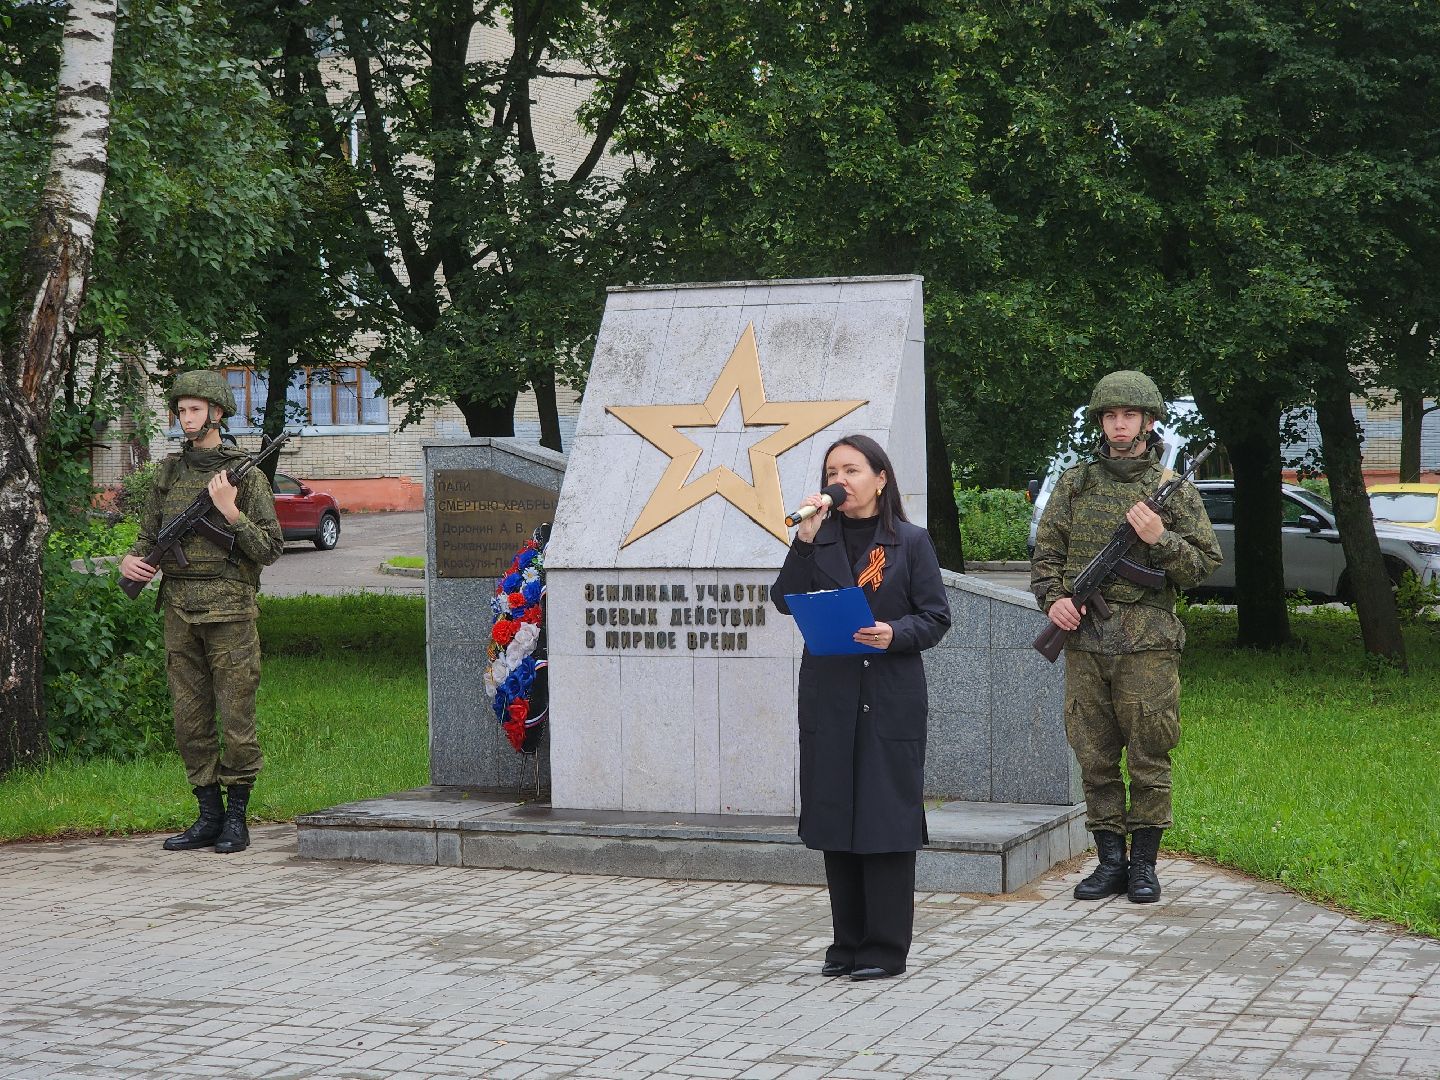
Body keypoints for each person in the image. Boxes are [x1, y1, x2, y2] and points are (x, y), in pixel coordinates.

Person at [1030, 371, 1221, 903]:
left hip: (1147, 647)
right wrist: (1056, 600)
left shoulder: (1167, 490)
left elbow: (1204, 563)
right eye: (1111, 416)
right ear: (1102, 422)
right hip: (1086, 643)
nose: (1119, 424)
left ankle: (1144, 865)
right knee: (1093, 754)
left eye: (1129, 416)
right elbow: (1045, 556)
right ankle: (1109, 861)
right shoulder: (1076, 483)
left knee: (1149, 754)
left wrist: (1159, 540)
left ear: (1148, 421)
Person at [773, 434, 951, 981]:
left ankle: (884, 949)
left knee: (884, 820)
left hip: (888, 696)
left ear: (880, 478)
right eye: (833, 470)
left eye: (852, 469)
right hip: (831, 696)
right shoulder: (816, 537)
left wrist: (892, 632)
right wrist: (803, 543)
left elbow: (936, 617)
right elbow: (784, 598)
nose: (840, 480)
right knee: (837, 815)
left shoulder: (911, 542)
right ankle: (846, 944)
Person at [119, 370, 284, 854]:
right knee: (189, 719)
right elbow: (149, 536)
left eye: (194, 409)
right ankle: (207, 814)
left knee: (236, 717)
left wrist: (230, 511)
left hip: (230, 613)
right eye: (181, 410)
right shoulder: (168, 473)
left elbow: (271, 548)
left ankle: (236, 817)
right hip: (179, 610)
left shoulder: (246, 476)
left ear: (216, 413)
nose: (186, 418)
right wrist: (131, 560)